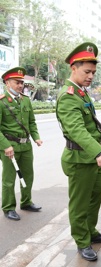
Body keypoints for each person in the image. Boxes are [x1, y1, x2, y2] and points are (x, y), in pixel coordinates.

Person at [56, 42, 101, 261]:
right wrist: (98, 152)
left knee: (95, 198)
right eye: (87, 71)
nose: (91, 76)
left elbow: (91, 125)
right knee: (80, 204)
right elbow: (77, 130)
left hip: (92, 158)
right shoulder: (68, 96)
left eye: (93, 72)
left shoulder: (82, 93)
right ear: (73, 67)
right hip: (80, 159)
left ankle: (91, 231)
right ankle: (82, 241)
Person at [0, 67, 43, 221]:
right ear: (7, 83)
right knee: (9, 179)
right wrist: (6, 146)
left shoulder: (25, 99)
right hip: (9, 146)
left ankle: (26, 202)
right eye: (17, 82)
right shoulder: (2, 101)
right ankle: (8, 207)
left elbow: (31, 122)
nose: (20, 85)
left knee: (28, 176)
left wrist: (36, 137)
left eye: (21, 82)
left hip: (26, 146)